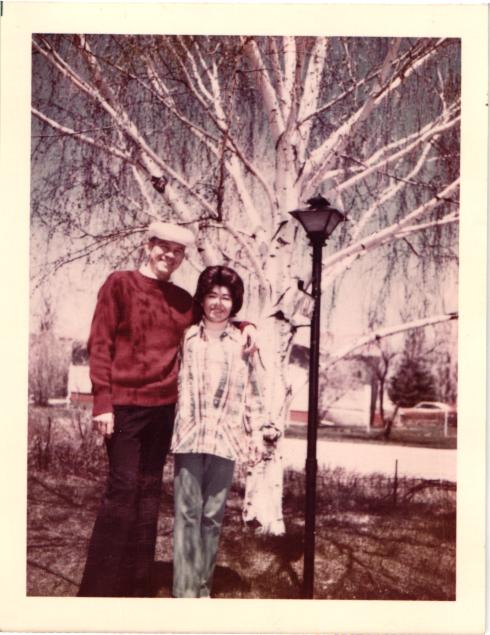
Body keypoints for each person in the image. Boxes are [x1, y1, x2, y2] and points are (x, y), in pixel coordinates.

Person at [78, 222, 255, 597]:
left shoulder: (180, 300)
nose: (169, 256)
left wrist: (247, 324)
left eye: (177, 251)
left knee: (147, 496)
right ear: (148, 246)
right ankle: (98, 590)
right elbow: (100, 343)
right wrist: (102, 402)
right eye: (163, 247)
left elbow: (216, 317)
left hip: (162, 411)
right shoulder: (119, 284)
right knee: (122, 491)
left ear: (183, 257)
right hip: (123, 409)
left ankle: (137, 586)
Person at [171, 266, 280, 598]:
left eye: (226, 297)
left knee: (212, 517)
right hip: (189, 436)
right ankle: (184, 591)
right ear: (202, 299)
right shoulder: (186, 337)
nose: (218, 303)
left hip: (226, 439)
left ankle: (202, 587)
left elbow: (254, 391)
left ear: (234, 303)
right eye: (212, 296)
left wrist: (258, 433)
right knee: (187, 514)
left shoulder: (244, 342)